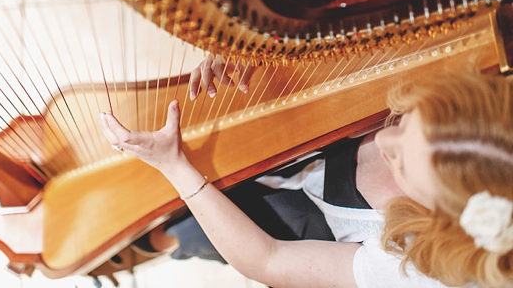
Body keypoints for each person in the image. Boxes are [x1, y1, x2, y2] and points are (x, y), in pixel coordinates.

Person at [100, 54, 513, 288]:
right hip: (312, 157)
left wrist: (174, 166)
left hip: (308, 228)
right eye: (404, 124)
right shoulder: (461, 89)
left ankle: (145, 246)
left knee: (188, 231)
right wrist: (267, 65)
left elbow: (268, 259)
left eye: (402, 164)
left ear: (439, 219)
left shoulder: (420, 268)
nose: (386, 141)